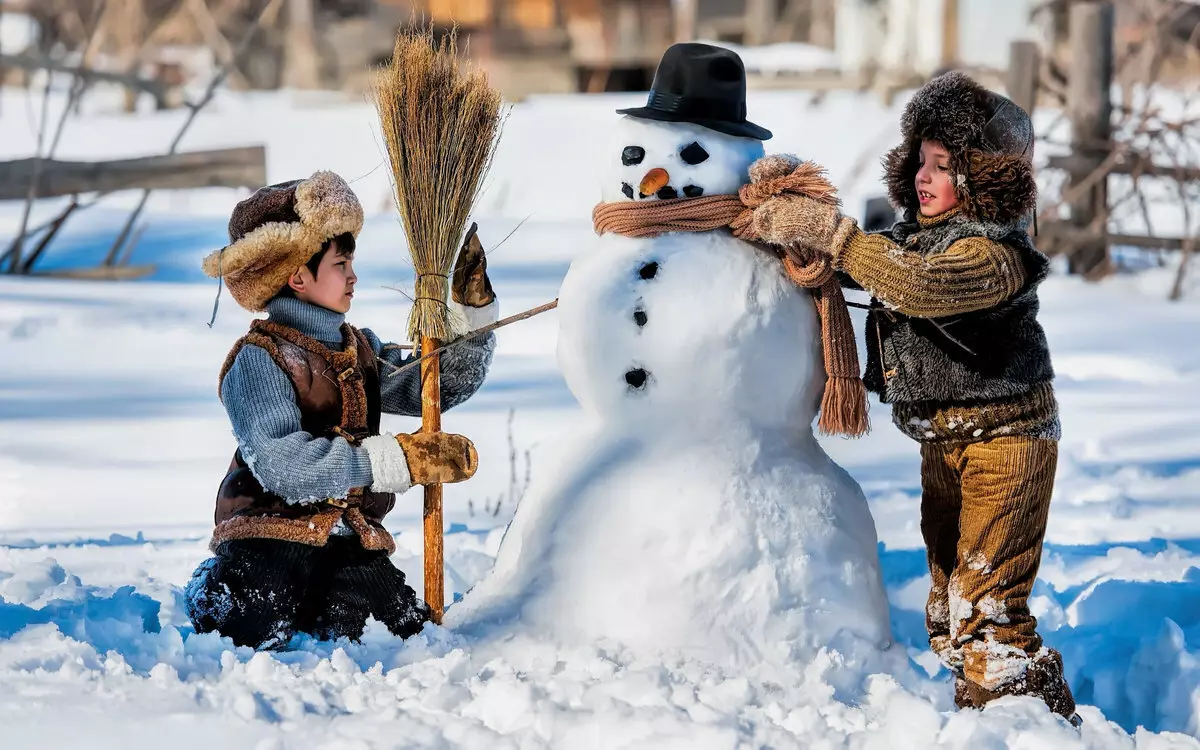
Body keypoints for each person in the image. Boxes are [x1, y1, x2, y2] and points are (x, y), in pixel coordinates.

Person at [745, 72, 1077, 722]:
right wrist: (783, 223)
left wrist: (835, 235)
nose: (924, 176)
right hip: (945, 444)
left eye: (944, 165)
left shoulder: (995, 253)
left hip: (1007, 446)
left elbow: (918, 286)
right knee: (949, 616)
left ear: (984, 176)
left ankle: (1035, 726)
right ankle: (1001, 719)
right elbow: (870, 261)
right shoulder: (915, 237)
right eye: (919, 160)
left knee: (987, 614)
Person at [184, 171, 498, 649]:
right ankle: (215, 585)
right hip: (268, 534)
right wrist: (395, 461)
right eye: (340, 263)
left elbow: (432, 389)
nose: (353, 276)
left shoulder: (360, 351)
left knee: (396, 632)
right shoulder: (260, 359)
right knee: (254, 621)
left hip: (347, 540)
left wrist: (470, 318)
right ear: (297, 276)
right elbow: (283, 465)